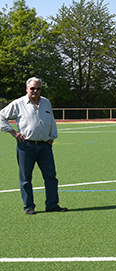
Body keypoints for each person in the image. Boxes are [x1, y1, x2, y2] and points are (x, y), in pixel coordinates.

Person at [0, 77, 67, 215]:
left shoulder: (46, 102)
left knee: (51, 177)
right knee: (26, 178)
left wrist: (52, 137)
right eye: (32, 88)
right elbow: (1, 116)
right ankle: (29, 206)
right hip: (26, 146)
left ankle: (52, 204)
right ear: (27, 89)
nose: (35, 91)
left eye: (38, 88)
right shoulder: (18, 103)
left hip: (44, 146)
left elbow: (52, 120)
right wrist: (12, 132)